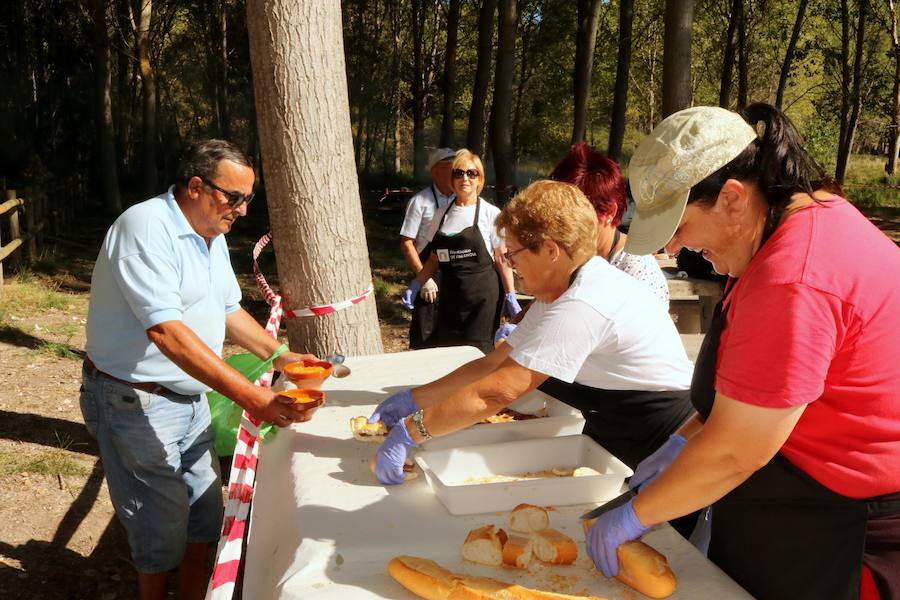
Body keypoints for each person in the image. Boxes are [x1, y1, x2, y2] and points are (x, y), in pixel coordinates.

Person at [585, 104, 900, 600]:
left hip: (838, 530)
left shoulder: (794, 278)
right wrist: (680, 445)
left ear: (733, 198)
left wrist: (634, 516)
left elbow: (737, 450)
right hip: (795, 502)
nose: (676, 248)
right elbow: (743, 397)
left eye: (680, 227)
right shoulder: (792, 227)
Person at [80, 139, 321, 600]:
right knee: (160, 525)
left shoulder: (211, 234)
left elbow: (228, 309)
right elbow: (166, 332)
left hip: (188, 398)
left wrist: (280, 356)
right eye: (235, 198)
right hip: (135, 401)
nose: (244, 210)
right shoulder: (145, 228)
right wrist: (253, 397)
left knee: (204, 517)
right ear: (196, 186)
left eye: (249, 199)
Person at [371, 180, 695, 488]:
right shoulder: (563, 289)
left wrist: (413, 431)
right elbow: (492, 366)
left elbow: (497, 392)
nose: (510, 265)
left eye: (513, 253)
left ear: (551, 250)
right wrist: (415, 399)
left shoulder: (583, 302)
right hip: (625, 429)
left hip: (663, 444)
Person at [404, 149, 518, 354]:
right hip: (450, 296)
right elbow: (434, 258)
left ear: (479, 179)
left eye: (471, 173)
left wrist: (511, 295)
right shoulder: (440, 214)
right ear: (452, 179)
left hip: (482, 299)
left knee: (477, 355)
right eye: (458, 173)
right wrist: (417, 283)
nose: (465, 178)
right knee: (449, 353)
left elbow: (501, 258)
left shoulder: (491, 214)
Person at [550, 141, 668, 303]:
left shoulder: (637, 271)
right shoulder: (570, 255)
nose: (560, 223)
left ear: (608, 211)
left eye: (572, 214)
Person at [399, 147, 456, 349]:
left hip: (456, 270)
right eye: (451, 168)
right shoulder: (420, 202)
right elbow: (407, 242)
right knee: (425, 332)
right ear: (435, 172)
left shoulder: (462, 199)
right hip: (428, 270)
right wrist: (422, 279)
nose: (456, 173)